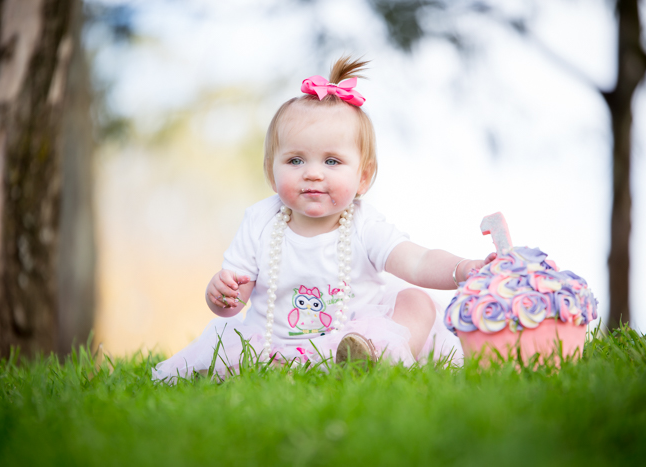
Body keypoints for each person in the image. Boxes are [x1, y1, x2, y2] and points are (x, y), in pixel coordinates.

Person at [152, 57, 495, 383]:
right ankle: (249, 368)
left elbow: (417, 261)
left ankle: (372, 357)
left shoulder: (363, 225)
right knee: (226, 352)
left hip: (350, 339)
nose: (313, 174)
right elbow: (233, 301)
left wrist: (461, 268)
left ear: (363, 177)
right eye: (296, 160)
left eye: (331, 162)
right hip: (272, 348)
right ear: (271, 173)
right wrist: (221, 294)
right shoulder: (261, 221)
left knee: (415, 302)